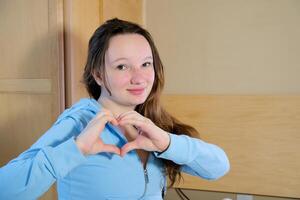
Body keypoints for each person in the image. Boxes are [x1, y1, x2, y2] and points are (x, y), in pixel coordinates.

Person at [0, 18, 230, 200]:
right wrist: (76, 149)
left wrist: (167, 143)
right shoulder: (79, 122)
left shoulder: (149, 123)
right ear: (98, 74)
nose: (139, 78)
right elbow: (4, 189)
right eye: (122, 66)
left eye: (145, 64)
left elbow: (219, 167)